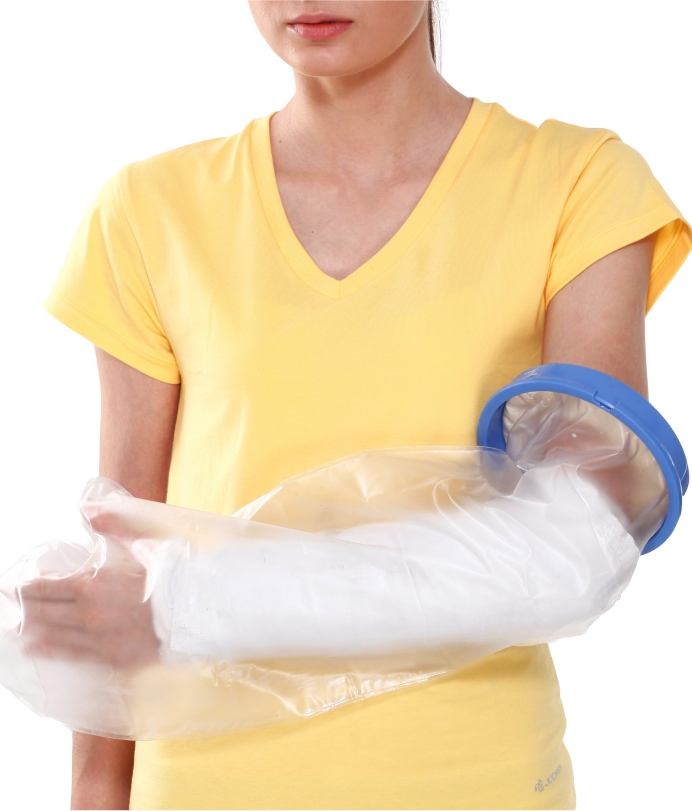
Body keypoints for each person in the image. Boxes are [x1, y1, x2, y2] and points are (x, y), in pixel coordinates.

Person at [43, 1, 690, 808]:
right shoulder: (148, 211)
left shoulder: (580, 181)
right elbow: (121, 574)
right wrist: (95, 792)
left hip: (474, 782)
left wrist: (192, 603)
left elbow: (577, 547)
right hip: (207, 786)